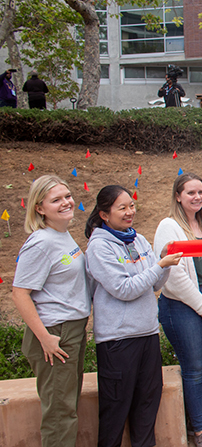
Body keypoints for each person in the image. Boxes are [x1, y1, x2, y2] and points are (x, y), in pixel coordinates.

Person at [85, 185, 182, 447]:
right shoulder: (99, 247)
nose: (130, 212)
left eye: (132, 205)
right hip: (118, 340)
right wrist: (158, 266)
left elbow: (152, 285)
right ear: (104, 214)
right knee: (115, 411)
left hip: (147, 333)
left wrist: (163, 264)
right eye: (122, 208)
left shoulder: (137, 239)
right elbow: (123, 289)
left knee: (147, 406)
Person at [11, 176, 91, 447]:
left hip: (71, 330)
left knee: (67, 406)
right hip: (55, 334)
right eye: (56, 200)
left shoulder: (62, 235)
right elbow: (19, 293)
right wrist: (45, 337)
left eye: (67, 196)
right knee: (59, 414)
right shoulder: (41, 242)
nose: (66, 202)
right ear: (39, 208)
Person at [154, 173, 202, 447]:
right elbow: (172, 276)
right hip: (182, 305)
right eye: (190, 193)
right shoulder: (168, 226)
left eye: (201, 192)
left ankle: (197, 418)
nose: (197, 197)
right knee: (194, 367)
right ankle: (198, 430)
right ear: (178, 196)